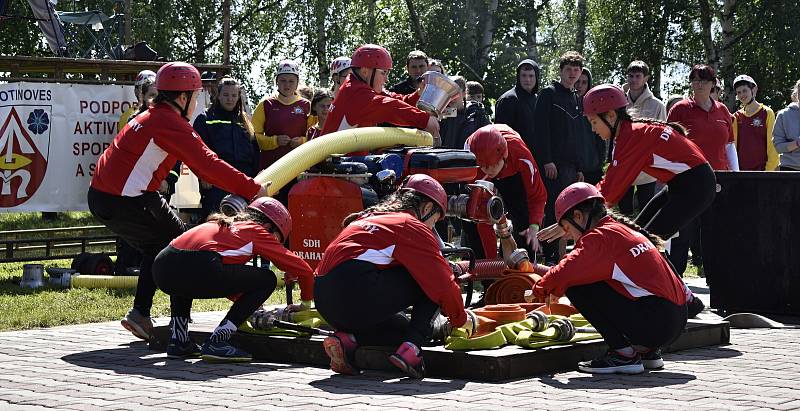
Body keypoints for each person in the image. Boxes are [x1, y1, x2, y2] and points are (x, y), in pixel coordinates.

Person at [88, 62, 268, 342]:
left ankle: (140, 314)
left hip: (105, 197)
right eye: (195, 96)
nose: (196, 102)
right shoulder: (168, 122)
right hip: (128, 199)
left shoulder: (151, 116)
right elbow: (208, 163)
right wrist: (253, 189)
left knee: (157, 247)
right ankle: (179, 334)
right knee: (184, 252)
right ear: (182, 98)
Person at [540, 84, 711, 318]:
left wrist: (570, 218)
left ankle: (686, 301)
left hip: (694, 186)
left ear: (610, 116)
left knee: (646, 244)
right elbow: (609, 187)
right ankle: (680, 297)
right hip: (683, 184)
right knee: (641, 237)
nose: (592, 129)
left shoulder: (631, 137)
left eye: (593, 122)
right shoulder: (629, 133)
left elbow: (609, 193)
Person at [314, 174, 478, 378]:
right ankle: (412, 349)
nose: (431, 229)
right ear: (426, 209)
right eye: (434, 222)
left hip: (324, 299)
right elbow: (443, 284)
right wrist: (460, 319)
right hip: (354, 290)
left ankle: (347, 340)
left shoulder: (367, 217)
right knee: (431, 277)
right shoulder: (409, 224)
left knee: (401, 327)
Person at [533, 182, 688, 374]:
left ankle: (623, 355)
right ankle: (647, 351)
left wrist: (538, 291)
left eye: (567, 229)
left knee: (574, 285)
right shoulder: (622, 229)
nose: (570, 236)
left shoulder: (598, 237)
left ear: (578, 217)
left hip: (656, 324)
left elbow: (563, 272)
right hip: (677, 320)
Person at [152, 197, 314, 362]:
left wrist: (247, 304)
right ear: (268, 227)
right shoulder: (257, 231)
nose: (275, 245)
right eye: (277, 240)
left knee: (184, 274)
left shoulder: (219, 224)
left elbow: (223, 279)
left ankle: (179, 341)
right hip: (200, 266)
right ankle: (218, 341)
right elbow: (304, 270)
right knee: (268, 279)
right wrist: (305, 304)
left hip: (162, 266)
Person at [667, 65, 738, 277]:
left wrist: (736, 176)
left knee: (714, 233)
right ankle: (676, 283)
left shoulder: (723, 111)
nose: (698, 84)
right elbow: (668, 145)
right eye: (694, 80)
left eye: (703, 80)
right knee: (683, 234)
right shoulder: (679, 109)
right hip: (688, 182)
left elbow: (729, 145)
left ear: (712, 84)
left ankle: (718, 280)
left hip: (718, 180)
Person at [321, 44, 439, 143]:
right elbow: (389, 107)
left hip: (345, 162)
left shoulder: (361, 87)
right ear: (365, 71)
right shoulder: (356, 92)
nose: (386, 79)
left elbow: (396, 99)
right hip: (335, 166)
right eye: (383, 73)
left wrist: (418, 94)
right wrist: (425, 119)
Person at [533, 51, 585, 264]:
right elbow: (540, 130)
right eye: (568, 70)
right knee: (552, 211)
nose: (572, 74)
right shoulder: (548, 93)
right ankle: (549, 256)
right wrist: (547, 160)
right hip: (553, 165)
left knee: (569, 213)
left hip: (572, 167)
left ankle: (563, 257)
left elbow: (579, 136)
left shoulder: (576, 98)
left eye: (576, 70)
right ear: (561, 71)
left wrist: (580, 167)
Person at [464, 124, 547, 256]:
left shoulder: (521, 155)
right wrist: (491, 261)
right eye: (486, 166)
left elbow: (537, 195)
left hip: (513, 172)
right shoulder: (473, 163)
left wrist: (534, 226)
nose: (490, 170)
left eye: (494, 165)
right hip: (479, 174)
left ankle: (523, 265)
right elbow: (482, 216)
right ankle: (483, 267)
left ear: (504, 155)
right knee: (473, 215)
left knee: (522, 218)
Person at [193, 77, 260, 221]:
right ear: (218, 95)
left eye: (234, 95)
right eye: (226, 95)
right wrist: (202, 175)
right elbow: (197, 152)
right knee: (215, 222)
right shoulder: (204, 118)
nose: (230, 99)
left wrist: (257, 178)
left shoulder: (245, 121)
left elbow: (255, 152)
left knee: (243, 223)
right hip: (216, 180)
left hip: (244, 180)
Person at [252, 60, 312, 204]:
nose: (287, 85)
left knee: (296, 204)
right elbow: (254, 136)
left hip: (298, 168)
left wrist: (302, 141)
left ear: (297, 83)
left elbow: (315, 136)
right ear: (277, 82)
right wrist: (274, 141)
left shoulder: (306, 105)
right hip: (271, 169)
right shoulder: (266, 104)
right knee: (269, 205)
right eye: (283, 80)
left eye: (291, 81)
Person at [619, 60, 665, 215]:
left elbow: (662, 137)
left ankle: (646, 240)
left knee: (647, 211)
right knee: (624, 212)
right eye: (630, 76)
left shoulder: (657, 105)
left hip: (647, 168)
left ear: (646, 78)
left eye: (638, 76)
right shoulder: (619, 104)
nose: (633, 80)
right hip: (624, 166)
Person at [732, 74, 778, 171]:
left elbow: (772, 146)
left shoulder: (767, 113)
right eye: (738, 92)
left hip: (762, 172)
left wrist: (768, 171)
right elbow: (733, 147)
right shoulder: (736, 117)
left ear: (754, 90)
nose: (742, 95)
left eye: (745, 90)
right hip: (741, 173)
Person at [495, 59, 540, 151]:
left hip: (536, 158)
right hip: (515, 157)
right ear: (518, 77)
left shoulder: (537, 99)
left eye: (531, 76)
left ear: (536, 77)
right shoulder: (508, 99)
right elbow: (502, 135)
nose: (527, 79)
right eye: (523, 75)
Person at [575, 68, 607, 185]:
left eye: (584, 82)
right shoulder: (567, 105)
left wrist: (600, 161)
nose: (580, 85)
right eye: (578, 81)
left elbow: (601, 138)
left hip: (593, 167)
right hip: (573, 168)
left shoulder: (596, 106)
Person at [773, 79, 800, 171]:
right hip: (789, 169)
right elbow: (778, 147)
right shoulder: (783, 115)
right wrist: (797, 143)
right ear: (797, 94)